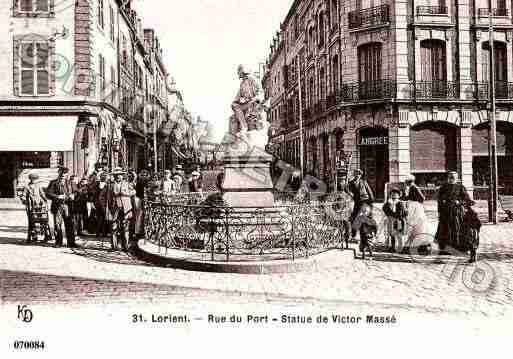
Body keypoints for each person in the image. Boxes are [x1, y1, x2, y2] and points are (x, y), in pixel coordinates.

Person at [435, 171, 473, 254]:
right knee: (445, 230)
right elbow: (439, 200)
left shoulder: (460, 187)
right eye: (450, 177)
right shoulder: (443, 187)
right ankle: (445, 249)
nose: (451, 179)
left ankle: (458, 247)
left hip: (456, 212)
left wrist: (459, 202)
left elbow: (466, 199)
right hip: (445, 212)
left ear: (456, 178)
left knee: (457, 229)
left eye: (453, 177)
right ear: (447, 178)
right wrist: (439, 211)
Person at [47, 167, 77, 248]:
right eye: (61, 174)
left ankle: (71, 243)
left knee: (70, 224)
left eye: (65, 174)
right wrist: (57, 196)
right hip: (57, 206)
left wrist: (73, 195)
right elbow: (48, 194)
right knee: (57, 224)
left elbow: (76, 192)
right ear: (59, 174)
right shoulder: (53, 183)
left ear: (67, 175)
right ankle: (58, 242)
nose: (63, 176)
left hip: (68, 206)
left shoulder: (71, 183)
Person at [111, 168, 136, 251]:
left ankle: (126, 246)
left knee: (125, 227)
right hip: (115, 208)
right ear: (114, 176)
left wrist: (126, 194)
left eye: (120, 175)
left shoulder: (127, 184)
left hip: (126, 208)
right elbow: (102, 197)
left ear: (122, 176)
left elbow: (134, 192)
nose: (118, 177)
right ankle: (114, 246)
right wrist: (106, 208)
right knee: (114, 227)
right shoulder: (110, 185)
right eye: (116, 175)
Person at [231, 64, 259, 135]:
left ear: (242, 71)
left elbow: (260, 93)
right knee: (234, 105)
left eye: (239, 71)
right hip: (246, 104)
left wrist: (253, 99)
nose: (238, 73)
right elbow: (237, 97)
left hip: (254, 103)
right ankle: (244, 126)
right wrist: (239, 100)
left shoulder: (252, 80)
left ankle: (244, 126)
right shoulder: (242, 83)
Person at [348, 169, 374, 241]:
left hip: (365, 201)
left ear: (360, 175)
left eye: (359, 174)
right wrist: (350, 194)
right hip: (356, 202)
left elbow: (369, 191)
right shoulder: (350, 183)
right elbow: (348, 191)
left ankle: (367, 235)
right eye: (356, 174)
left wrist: (371, 201)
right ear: (354, 175)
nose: (357, 175)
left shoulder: (364, 182)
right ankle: (353, 235)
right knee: (354, 218)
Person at [21, 173, 48, 243]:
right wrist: (23, 199)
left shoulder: (38, 186)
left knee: (43, 220)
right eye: (33, 179)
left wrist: (45, 199)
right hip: (31, 206)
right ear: (30, 179)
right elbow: (24, 195)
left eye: (35, 179)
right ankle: (33, 236)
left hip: (40, 206)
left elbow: (42, 194)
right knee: (32, 221)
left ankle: (46, 235)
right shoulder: (27, 187)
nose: (34, 181)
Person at [383, 189, 408, 253]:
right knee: (392, 234)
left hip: (399, 220)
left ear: (399, 196)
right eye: (392, 194)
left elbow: (401, 213)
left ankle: (401, 248)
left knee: (399, 235)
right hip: (391, 220)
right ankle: (392, 247)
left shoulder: (400, 203)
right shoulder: (388, 203)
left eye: (395, 194)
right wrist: (389, 212)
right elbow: (385, 209)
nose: (393, 196)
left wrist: (392, 214)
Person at [94, 172, 111, 239]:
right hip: (98, 204)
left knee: (105, 219)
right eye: (102, 176)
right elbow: (95, 195)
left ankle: (104, 233)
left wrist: (108, 204)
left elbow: (109, 195)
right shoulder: (97, 184)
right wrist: (94, 203)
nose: (103, 177)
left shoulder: (108, 185)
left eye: (104, 176)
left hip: (105, 204)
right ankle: (97, 233)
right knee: (99, 219)